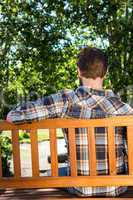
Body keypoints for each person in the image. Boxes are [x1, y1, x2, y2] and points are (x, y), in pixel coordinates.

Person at [7, 46, 133, 197]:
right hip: (116, 187)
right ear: (106, 72)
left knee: (49, 172)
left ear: (78, 71)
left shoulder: (65, 100)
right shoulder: (122, 108)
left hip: (80, 187)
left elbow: (15, 116)